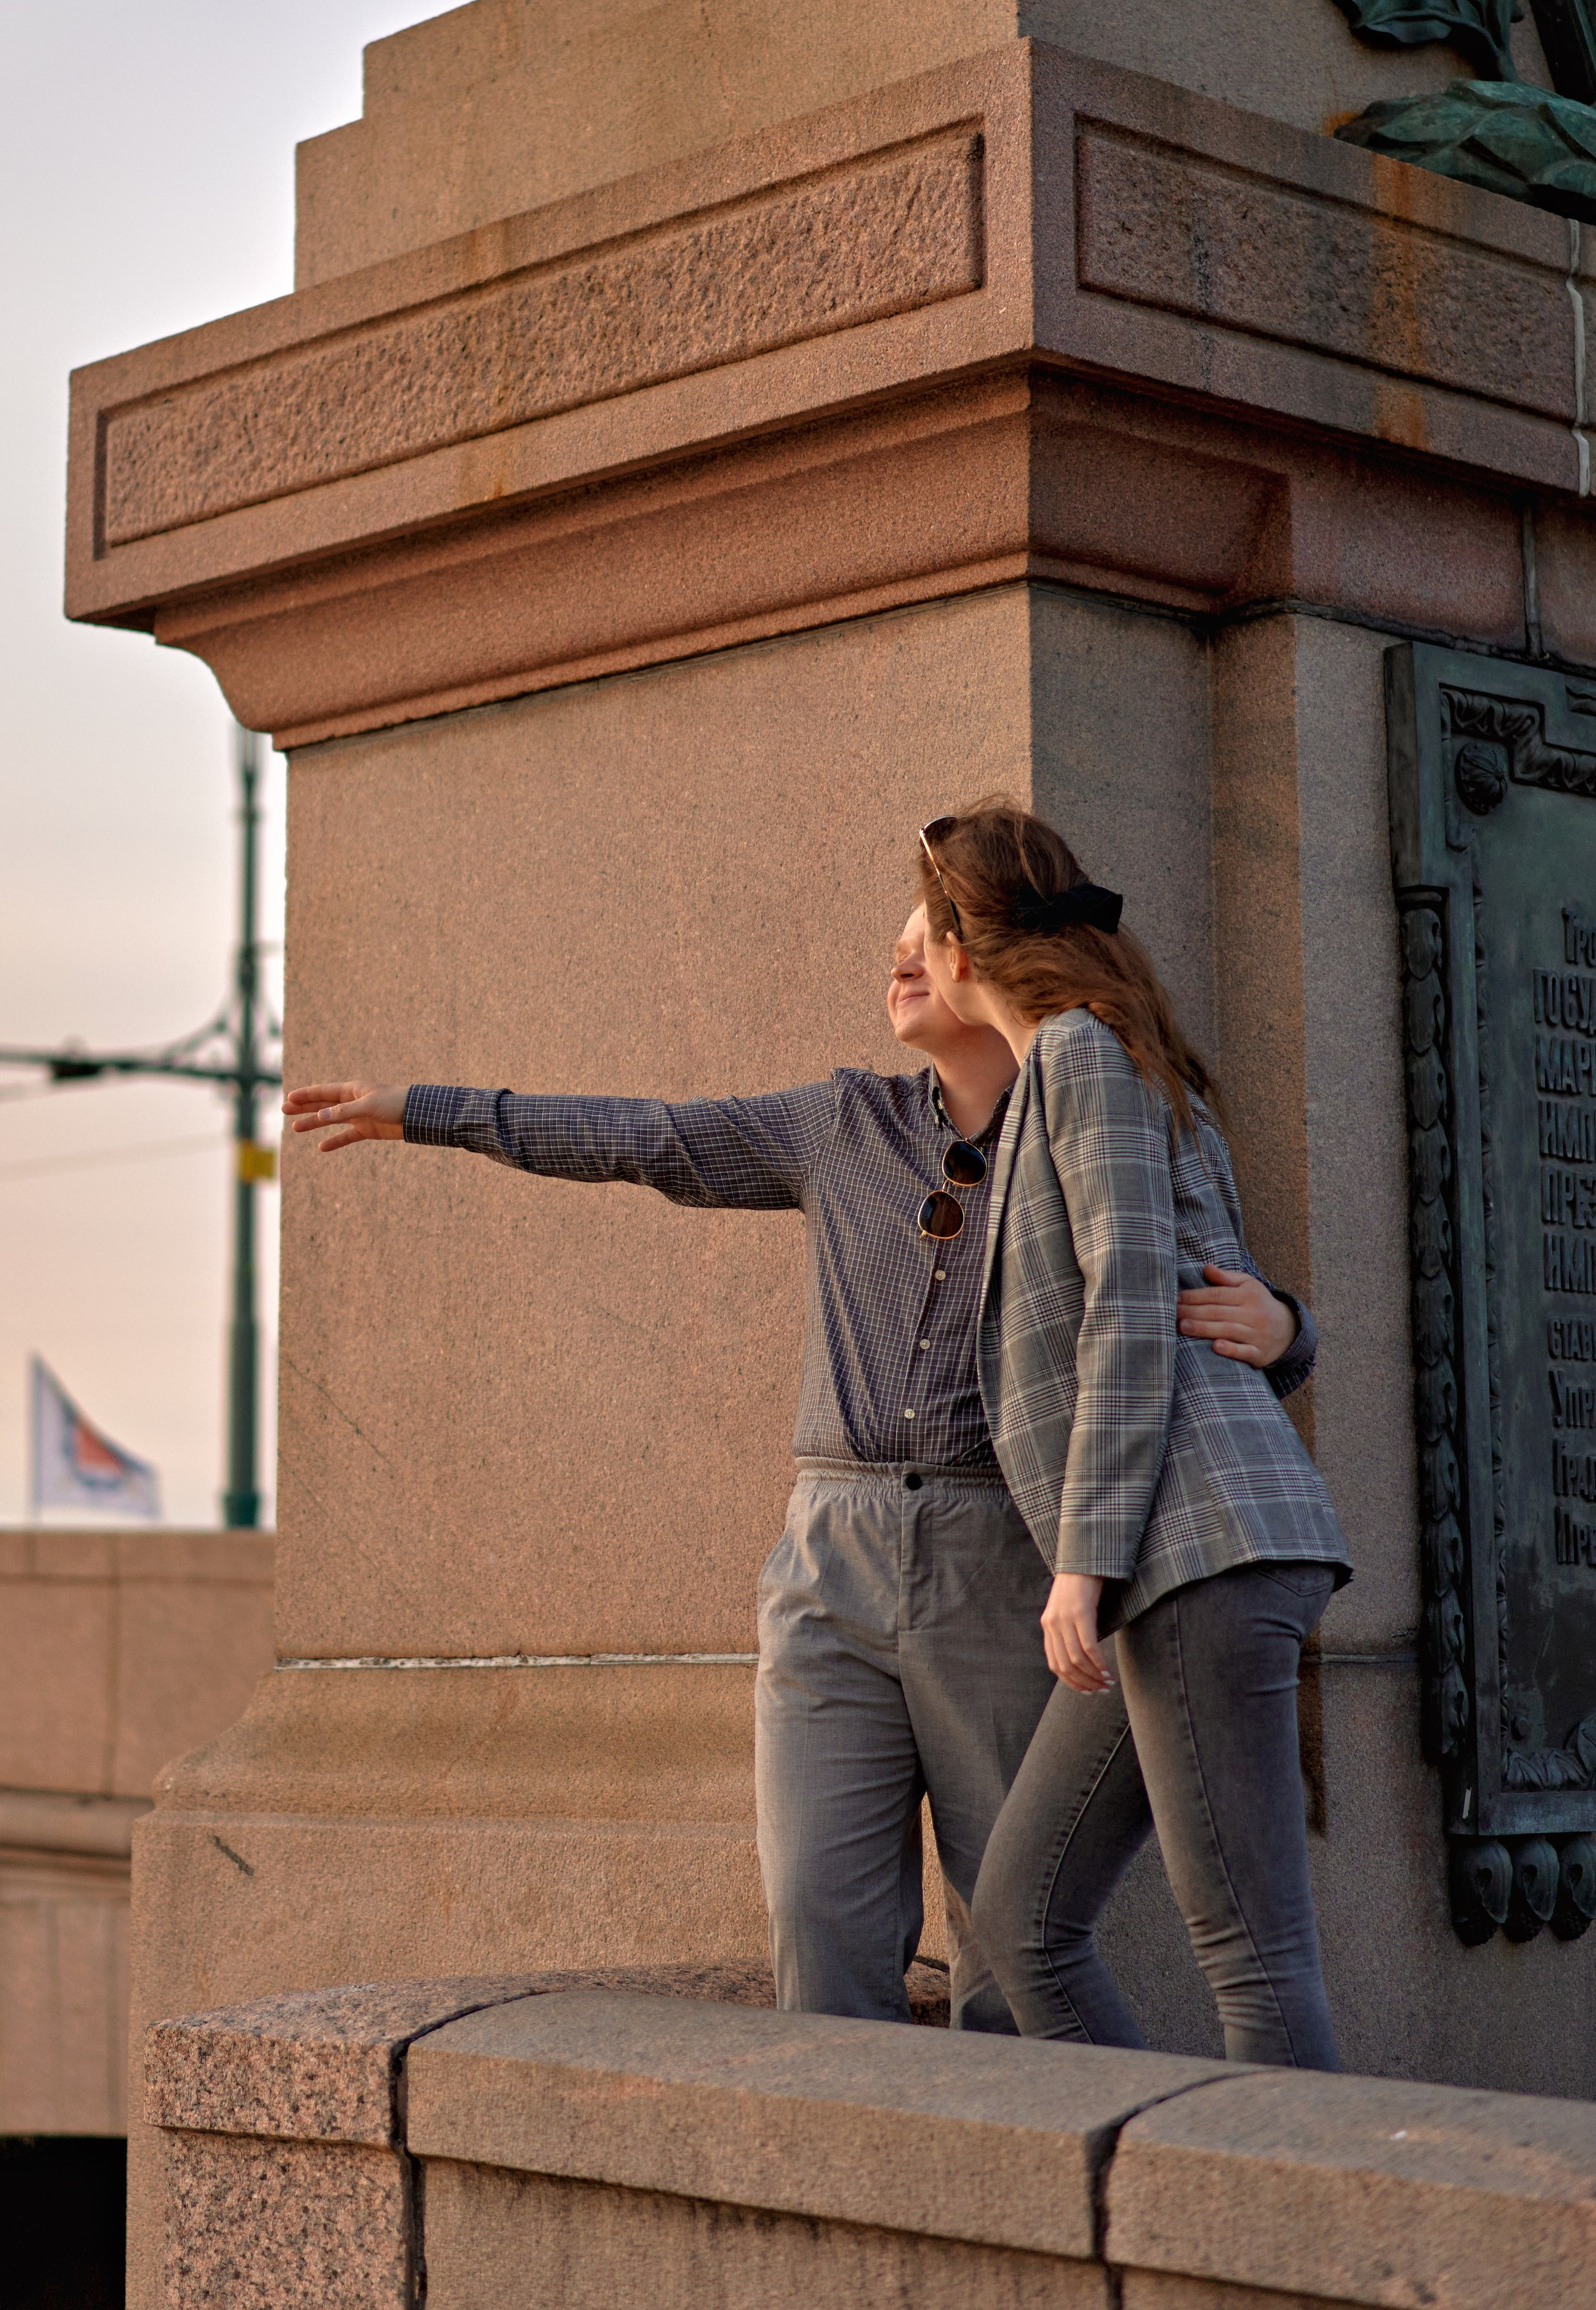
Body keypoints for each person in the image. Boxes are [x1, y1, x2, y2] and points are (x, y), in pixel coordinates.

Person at [283, 887, 1315, 2032]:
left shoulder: (1094, 1104)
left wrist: (1287, 1327)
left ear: (994, 966)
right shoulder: (843, 1124)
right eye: (897, 952)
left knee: (1008, 1954)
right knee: (821, 1929)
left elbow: (1181, 1296)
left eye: (928, 948)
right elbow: (649, 1138)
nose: (903, 964)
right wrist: (427, 1111)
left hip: (1013, 1558)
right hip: (832, 1564)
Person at [912, 801, 1351, 2068]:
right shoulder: (1110, 1050)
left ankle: (1283, 2249)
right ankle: (1168, 2176)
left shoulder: (1079, 1054)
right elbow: (1210, 1290)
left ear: (957, 946)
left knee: (1253, 1957)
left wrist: (1080, 1561)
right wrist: (1290, 1329)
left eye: (917, 937)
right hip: (1176, 1558)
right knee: (1021, 1922)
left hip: (1186, 1551)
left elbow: (1125, 1307)